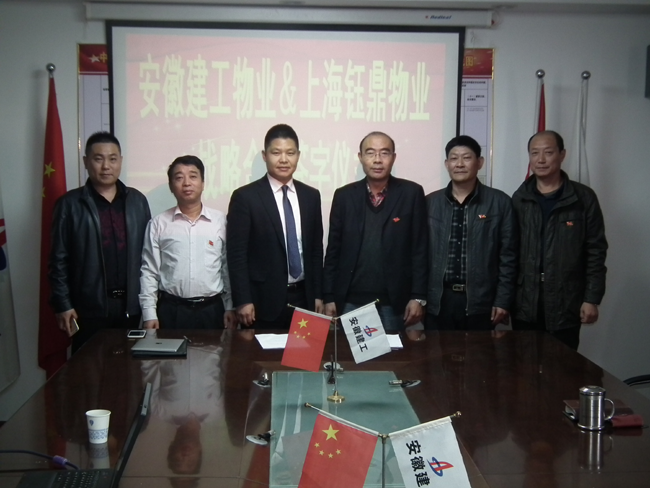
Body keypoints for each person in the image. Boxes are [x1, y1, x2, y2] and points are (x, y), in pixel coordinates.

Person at [49, 132, 151, 352]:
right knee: (88, 370)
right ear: (86, 161)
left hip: (130, 307)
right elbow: (58, 260)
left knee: (129, 369)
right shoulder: (69, 204)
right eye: (98, 159)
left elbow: (149, 257)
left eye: (112, 159)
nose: (106, 166)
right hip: (88, 309)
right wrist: (63, 304)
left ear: (120, 161)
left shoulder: (137, 201)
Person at [512, 130, 607, 350]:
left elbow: (595, 251)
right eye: (534, 153)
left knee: (562, 365)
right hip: (525, 300)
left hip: (566, 300)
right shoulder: (519, 198)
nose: (541, 160)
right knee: (522, 365)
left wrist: (591, 298)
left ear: (562, 155)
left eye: (548, 152)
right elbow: (508, 253)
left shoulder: (583, 198)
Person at [323, 131, 427, 331]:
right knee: (350, 351)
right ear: (360, 157)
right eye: (370, 153)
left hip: (395, 302)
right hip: (351, 300)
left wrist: (418, 296)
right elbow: (334, 250)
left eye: (384, 153)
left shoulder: (411, 193)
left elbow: (420, 249)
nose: (377, 160)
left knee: (394, 352)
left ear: (393, 158)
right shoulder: (344, 196)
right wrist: (328, 296)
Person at [226, 124, 323, 329]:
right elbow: (236, 255)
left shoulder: (311, 196)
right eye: (276, 153)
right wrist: (243, 300)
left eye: (290, 153)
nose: (284, 159)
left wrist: (317, 294)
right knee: (261, 352)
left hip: (304, 299)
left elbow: (315, 250)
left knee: (304, 351)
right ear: (265, 155)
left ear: (298, 155)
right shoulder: (246, 197)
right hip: (262, 303)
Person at [426, 135, 517, 330]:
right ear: (446, 164)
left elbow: (508, 257)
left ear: (480, 162)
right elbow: (418, 256)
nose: (459, 164)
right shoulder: (430, 203)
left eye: (466, 157)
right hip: (438, 301)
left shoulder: (500, 202)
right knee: (435, 350)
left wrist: (503, 300)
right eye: (454, 158)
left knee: (479, 351)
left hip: (481, 302)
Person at [139, 156, 235, 329]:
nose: (186, 183)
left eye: (193, 176)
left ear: (203, 183)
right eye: (179, 177)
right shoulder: (159, 224)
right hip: (171, 310)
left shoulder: (220, 221)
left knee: (216, 348)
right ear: (171, 186)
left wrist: (230, 306)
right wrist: (149, 313)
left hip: (212, 310)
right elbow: (149, 271)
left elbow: (226, 268)